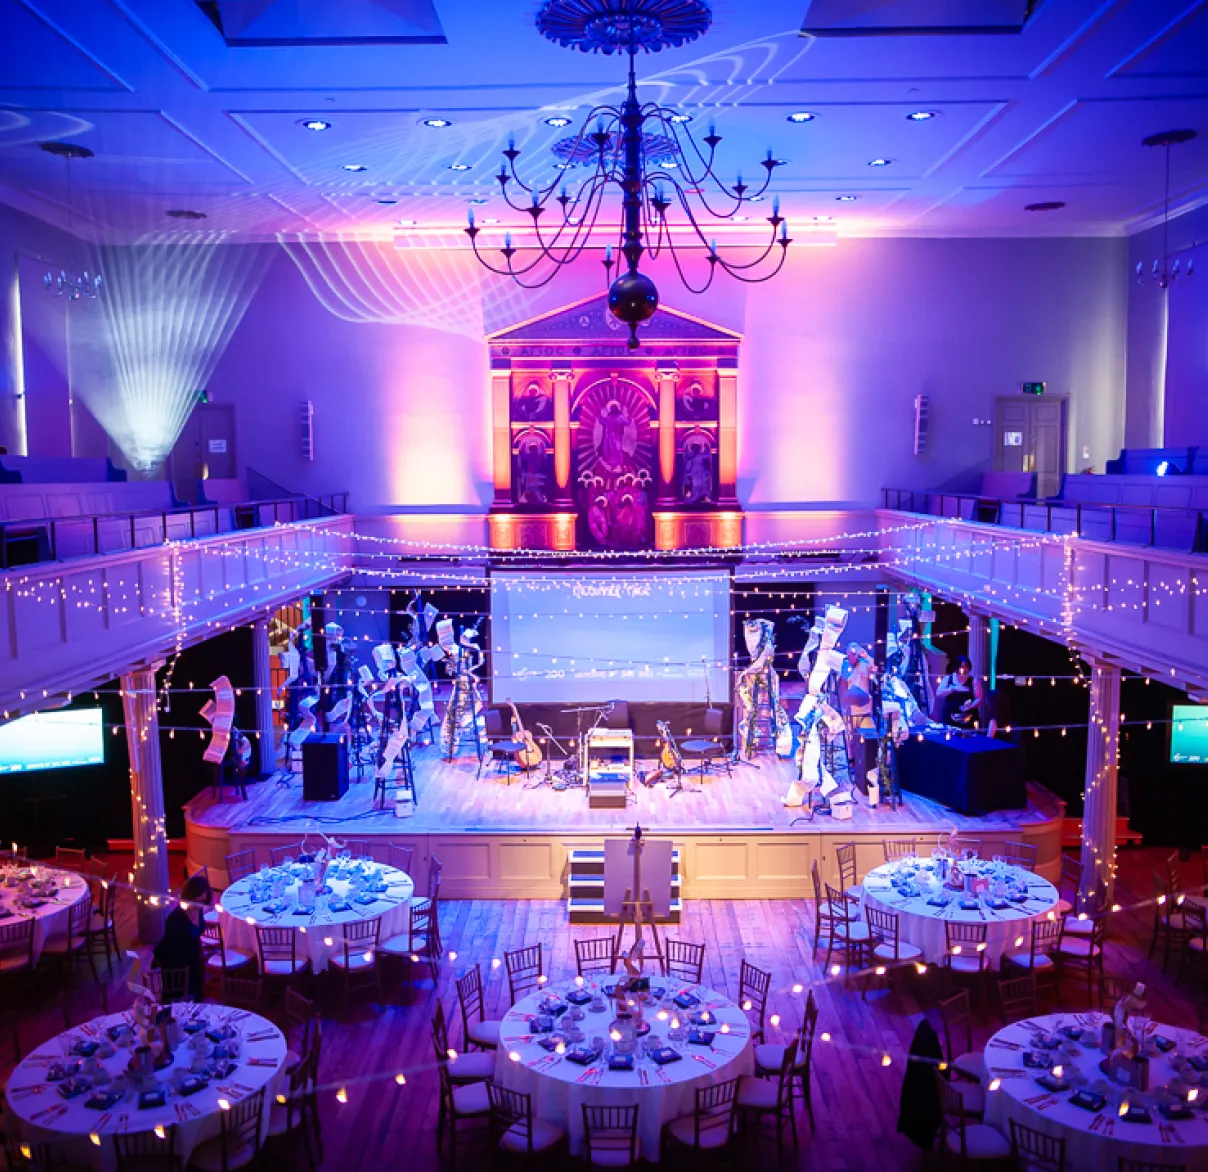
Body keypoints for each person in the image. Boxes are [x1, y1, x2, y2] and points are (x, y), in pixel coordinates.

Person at [152, 872, 212, 1002]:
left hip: (193, 961)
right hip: (177, 967)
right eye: (197, 901)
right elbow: (169, 948)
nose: (200, 905)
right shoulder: (175, 919)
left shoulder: (198, 911)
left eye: (202, 901)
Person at [935, 655, 984, 728]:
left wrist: (970, 706)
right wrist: (952, 689)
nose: (964, 669)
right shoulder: (948, 679)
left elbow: (979, 698)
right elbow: (938, 693)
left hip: (968, 718)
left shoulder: (973, 681)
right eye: (962, 667)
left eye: (966, 667)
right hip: (951, 717)